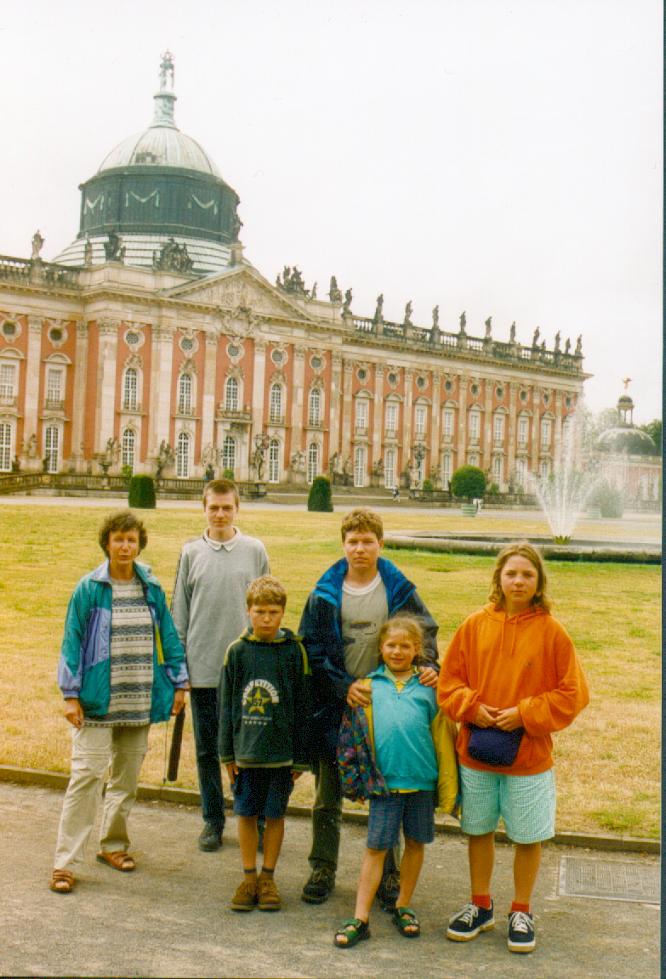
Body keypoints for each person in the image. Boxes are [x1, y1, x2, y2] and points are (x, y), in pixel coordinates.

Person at [438, 542, 589, 954]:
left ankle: (521, 909)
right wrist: (474, 708)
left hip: (529, 758)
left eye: (527, 574)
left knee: (527, 836)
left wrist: (525, 713)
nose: (518, 580)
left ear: (538, 582)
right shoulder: (474, 625)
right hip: (478, 752)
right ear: (498, 579)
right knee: (478, 829)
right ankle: (480, 904)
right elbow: (447, 686)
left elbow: (573, 693)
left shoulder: (552, 632)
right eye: (511, 573)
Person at [299, 507, 439, 907]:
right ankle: (323, 865)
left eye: (367, 541)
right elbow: (313, 648)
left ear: (381, 543)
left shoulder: (397, 587)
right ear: (343, 545)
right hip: (338, 704)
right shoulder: (325, 591)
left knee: (389, 789)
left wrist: (428, 667)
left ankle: (389, 873)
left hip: (387, 705)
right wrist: (344, 687)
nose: (360, 548)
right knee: (328, 793)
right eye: (352, 541)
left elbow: (423, 632)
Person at [50, 510, 188, 894]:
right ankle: (65, 863)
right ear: (107, 543)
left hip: (138, 697)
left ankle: (112, 846)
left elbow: (170, 637)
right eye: (118, 539)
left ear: (139, 543)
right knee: (86, 779)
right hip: (96, 701)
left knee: (125, 781)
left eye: (131, 539)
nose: (125, 546)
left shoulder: (151, 587)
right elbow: (71, 641)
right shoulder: (90, 588)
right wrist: (70, 694)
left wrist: (179, 683)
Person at [334, 616, 458, 948]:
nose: (398, 651)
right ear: (381, 648)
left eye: (406, 646)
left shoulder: (431, 687)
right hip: (384, 785)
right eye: (391, 645)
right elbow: (354, 738)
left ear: (418, 649)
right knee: (376, 848)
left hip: (422, 782)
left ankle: (403, 905)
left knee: (416, 844)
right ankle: (360, 916)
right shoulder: (368, 686)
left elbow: (449, 725)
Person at [171, 478, 269, 852]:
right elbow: (179, 614)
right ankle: (212, 820)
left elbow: (267, 604)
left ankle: (253, 817)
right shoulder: (191, 552)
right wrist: (180, 673)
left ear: (237, 509)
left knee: (249, 750)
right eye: (214, 507)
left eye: (227, 507)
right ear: (204, 509)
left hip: (245, 670)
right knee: (207, 751)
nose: (220, 514)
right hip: (203, 666)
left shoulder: (254, 550)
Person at [220, 576, 311, 912]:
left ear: (283, 613)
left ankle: (268, 877)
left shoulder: (294, 652)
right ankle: (248, 877)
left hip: (281, 757)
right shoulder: (237, 651)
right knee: (245, 814)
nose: (267, 618)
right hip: (246, 755)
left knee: (275, 815)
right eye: (260, 611)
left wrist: (301, 759)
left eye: (273, 612)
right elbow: (227, 706)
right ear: (248, 611)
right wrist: (227, 752)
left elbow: (303, 706)